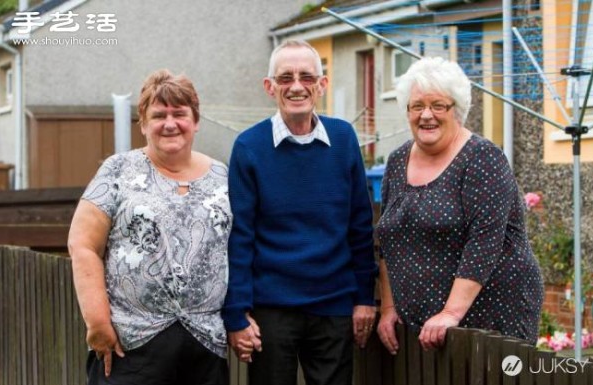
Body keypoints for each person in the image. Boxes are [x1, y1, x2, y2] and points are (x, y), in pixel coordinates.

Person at [222, 40, 378, 385]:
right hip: (271, 310)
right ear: (270, 87)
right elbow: (240, 237)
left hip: (334, 306)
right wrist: (237, 313)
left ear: (321, 85)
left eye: (307, 77)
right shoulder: (249, 147)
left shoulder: (344, 138)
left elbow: (359, 225)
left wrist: (365, 299)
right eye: (285, 77)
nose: (296, 86)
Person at [68, 69, 230, 385]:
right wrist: (98, 322)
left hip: (206, 348)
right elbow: (82, 243)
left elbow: (240, 248)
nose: (170, 123)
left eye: (180, 114)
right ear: (143, 124)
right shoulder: (117, 170)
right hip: (131, 347)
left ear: (195, 121)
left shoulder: (223, 177)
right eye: (158, 115)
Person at [376, 57, 544, 354]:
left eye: (438, 105)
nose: (426, 115)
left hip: (489, 320)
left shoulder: (482, 158)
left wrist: (451, 313)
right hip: (424, 327)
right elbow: (388, 240)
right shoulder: (397, 160)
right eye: (417, 106)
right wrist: (389, 308)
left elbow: (484, 242)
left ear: (458, 110)